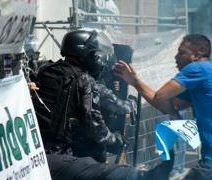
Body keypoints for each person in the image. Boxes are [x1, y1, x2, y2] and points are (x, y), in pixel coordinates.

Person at [31, 29, 173, 180]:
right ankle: (143, 177)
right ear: (90, 55)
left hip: (35, 149)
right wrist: (115, 140)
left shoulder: (45, 71)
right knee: (102, 171)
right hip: (58, 153)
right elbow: (95, 125)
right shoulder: (84, 80)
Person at [114, 34, 212, 180]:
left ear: (197, 55)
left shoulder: (197, 68)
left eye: (182, 52)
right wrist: (134, 82)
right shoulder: (210, 73)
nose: (176, 57)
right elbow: (166, 105)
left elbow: (160, 96)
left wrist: (135, 81)